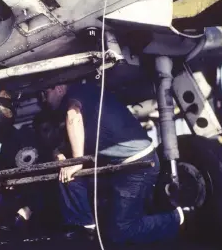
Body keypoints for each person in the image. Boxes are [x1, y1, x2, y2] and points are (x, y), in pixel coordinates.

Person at [42, 81, 186, 245]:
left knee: (121, 231)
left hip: (137, 166)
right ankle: (85, 228)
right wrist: (60, 156)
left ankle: (176, 218)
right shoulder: (82, 96)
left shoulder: (75, 96)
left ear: (59, 89)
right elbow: (63, 144)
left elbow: (73, 117)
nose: (44, 100)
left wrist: (77, 161)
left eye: (45, 93)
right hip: (117, 168)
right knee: (68, 177)